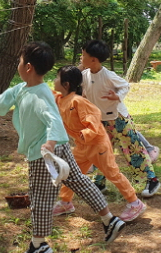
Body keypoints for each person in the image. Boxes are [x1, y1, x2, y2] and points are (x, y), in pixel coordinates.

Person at [0, 42, 126, 253]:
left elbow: (53, 120)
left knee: (40, 197)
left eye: (19, 61)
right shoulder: (21, 89)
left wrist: (49, 144)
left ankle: (39, 245)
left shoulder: (42, 93)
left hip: (45, 154)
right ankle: (109, 220)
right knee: (80, 183)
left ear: (28, 67)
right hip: (59, 149)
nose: (18, 65)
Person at [51, 65, 146, 222]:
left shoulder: (79, 102)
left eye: (57, 78)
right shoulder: (61, 99)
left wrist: (83, 135)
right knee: (70, 173)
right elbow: (47, 94)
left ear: (66, 85)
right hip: (82, 147)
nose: (54, 81)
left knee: (112, 174)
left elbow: (94, 121)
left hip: (97, 145)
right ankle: (66, 202)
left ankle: (135, 203)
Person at [81, 39, 161, 198]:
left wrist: (116, 96)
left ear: (93, 60)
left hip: (119, 119)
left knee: (133, 150)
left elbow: (126, 86)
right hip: (100, 121)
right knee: (101, 152)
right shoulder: (84, 75)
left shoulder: (108, 76)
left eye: (83, 55)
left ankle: (151, 180)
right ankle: (99, 183)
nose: (81, 58)